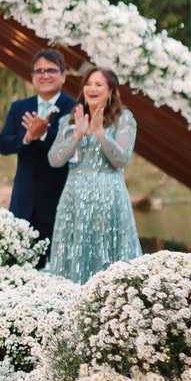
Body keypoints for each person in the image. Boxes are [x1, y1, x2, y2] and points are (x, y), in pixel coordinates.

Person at [46, 66, 141, 283]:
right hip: (74, 200)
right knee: (74, 259)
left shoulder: (123, 119)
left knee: (110, 257)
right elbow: (55, 160)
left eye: (99, 84)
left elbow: (121, 159)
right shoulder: (69, 121)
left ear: (110, 91)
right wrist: (78, 134)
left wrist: (100, 134)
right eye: (88, 84)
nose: (92, 88)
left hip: (110, 198)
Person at [0, 50, 77, 262]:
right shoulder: (19, 107)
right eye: (39, 71)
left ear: (63, 76)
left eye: (51, 70)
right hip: (24, 201)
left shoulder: (75, 108)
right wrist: (28, 137)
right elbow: (3, 144)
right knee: (21, 265)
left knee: (59, 265)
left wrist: (44, 135)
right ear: (32, 77)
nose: (45, 75)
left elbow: (71, 149)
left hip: (60, 200)